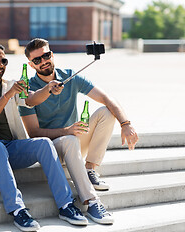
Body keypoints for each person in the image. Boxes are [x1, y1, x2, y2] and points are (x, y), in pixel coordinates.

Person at [0, 42, 89, 232]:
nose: (1, 64)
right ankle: (18, 209)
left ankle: (66, 205)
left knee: (44, 144)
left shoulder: (10, 85)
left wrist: (48, 89)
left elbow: (30, 99)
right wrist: (8, 96)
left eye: (4, 60)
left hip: (10, 148)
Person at [19, 38, 139, 222]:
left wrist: (126, 123)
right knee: (69, 139)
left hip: (74, 141)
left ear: (52, 54)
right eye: (37, 60)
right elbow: (34, 132)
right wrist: (66, 130)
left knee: (106, 112)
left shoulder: (69, 76)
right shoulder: (27, 88)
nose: (43, 61)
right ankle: (92, 202)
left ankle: (90, 169)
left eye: (46, 56)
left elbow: (106, 97)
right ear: (31, 64)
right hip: (51, 150)